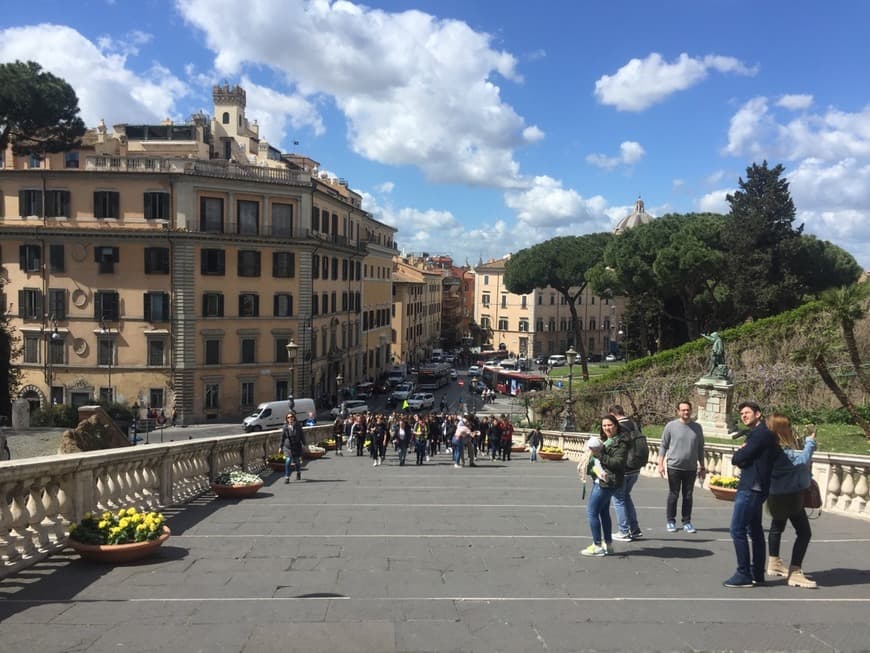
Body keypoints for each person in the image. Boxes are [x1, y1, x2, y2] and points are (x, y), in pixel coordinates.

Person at [723, 401, 780, 588]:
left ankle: (744, 573)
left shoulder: (760, 434)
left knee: (737, 529)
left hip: (751, 487)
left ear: (758, 414)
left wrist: (742, 456)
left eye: (747, 413)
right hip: (756, 486)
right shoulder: (761, 434)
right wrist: (743, 458)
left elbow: (738, 458)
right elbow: (745, 459)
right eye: (741, 414)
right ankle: (757, 573)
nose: (743, 416)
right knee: (754, 531)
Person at [766, 414, 817, 588]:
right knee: (804, 533)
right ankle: (795, 572)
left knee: (777, 527)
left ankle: (774, 562)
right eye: (788, 426)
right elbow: (801, 461)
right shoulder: (781, 451)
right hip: (789, 496)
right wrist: (810, 443)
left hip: (774, 494)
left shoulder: (769, 448)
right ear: (782, 429)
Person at [580, 416, 628, 557]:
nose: (607, 428)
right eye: (604, 425)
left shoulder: (620, 443)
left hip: (606, 482)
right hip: (604, 481)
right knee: (603, 512)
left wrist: (599, 454)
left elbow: (617, 463)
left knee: (591, 512)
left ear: (616, 426)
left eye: (610, 425)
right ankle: (608, 544)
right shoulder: (609, 441)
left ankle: (597, 545)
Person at [657, 401, 706, 534]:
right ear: (678, 411)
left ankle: (687, 521)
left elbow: (700, 448)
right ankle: (671, 521)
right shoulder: (671, 426)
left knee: (688, 496)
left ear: (691, 411)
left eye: (688, 410)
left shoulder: (697, 428)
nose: (686, 412)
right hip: (674, 466)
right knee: (674, 494)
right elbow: (663, 446)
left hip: (690, 468)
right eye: (683, 410)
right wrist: (660, 464)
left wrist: (702, 466)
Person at [609, 405, 643, 541]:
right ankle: (634, 529)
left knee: (618, 499)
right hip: (635, 467)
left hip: (624, 468)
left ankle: (623, 531)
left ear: (613, 414)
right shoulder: (635, 424)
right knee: (626, 497)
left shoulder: (620, 427)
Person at [280, 412, 305, 483]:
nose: (290, 418)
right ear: (286, 419)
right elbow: (282, 437)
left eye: (291, 417)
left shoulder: (298, 426)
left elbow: (302, 435)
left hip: (296, 446)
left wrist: (304, 444)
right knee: (288, 460)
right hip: (288, 447)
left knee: (297, 461)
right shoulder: (285, 427)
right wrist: (280, 446)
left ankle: (298, 472)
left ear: (294, 418)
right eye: (288, 417)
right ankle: (287, 477)